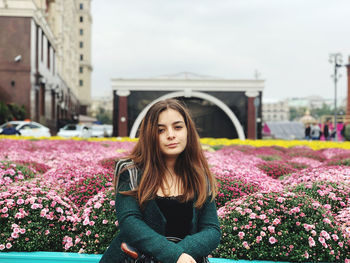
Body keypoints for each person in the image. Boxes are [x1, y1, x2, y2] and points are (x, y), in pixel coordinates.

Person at [100, 99, 220, 263]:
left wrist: (182, 254)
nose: (171, 135)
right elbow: (130, 222)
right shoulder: (130, 171)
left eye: (178, 127)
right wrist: (174, 255)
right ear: (150, 135)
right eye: (160, 130)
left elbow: (211, 230)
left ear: (188, 131)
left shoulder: (199, 175)